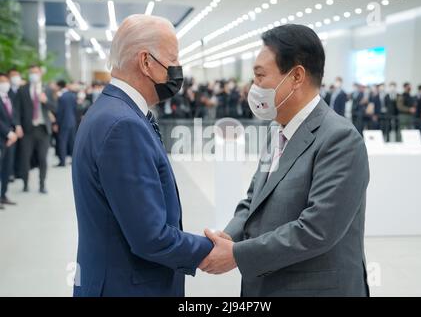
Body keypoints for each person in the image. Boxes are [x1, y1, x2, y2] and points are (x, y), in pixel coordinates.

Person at [199, 24, 370, 297]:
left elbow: (317, 230)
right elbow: (254, 200)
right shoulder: (278, 130)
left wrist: (238, 255)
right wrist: (229, 237)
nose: (252, 88)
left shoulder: (340, 139)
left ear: (296, 76)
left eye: (259, 76)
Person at [72, 15, 213, 297]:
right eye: (173, 59)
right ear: (146, 62)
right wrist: (213, 251)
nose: (177, 68)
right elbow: (151, 237)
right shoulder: (124, 125)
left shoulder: (110, 111)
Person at [14, 65, 54, 194]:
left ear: (40, 74)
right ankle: (25, 183)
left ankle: (42, 184)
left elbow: (55, 107)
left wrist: (46, 100)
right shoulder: (22, 90)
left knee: (43, 158)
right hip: (27, 130)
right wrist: (18, 125)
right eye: (31, 73)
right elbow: (17, 110)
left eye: (36, 72)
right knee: (25, 158)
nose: (33, 75)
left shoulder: (47, 89)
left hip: (43, 130)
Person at [0, 73, 19, 208]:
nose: (5, 84)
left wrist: (16, 127)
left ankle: (3, 195)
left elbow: (13, 115)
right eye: (2, 81)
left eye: (6, 81)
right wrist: (7, 133)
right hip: (3, 137)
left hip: (11, 139)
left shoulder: (9, 98)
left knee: (7, 168)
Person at [54, 80, 77, 167]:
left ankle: (62, 161)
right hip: (72, 121)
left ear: (59, 86)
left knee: (62, 141)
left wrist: (57, 123)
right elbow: (75, 108)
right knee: (72, 141)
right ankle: (73, 160)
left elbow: (59, 112)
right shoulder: (72, 95)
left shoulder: (62, 97)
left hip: (63, 122)